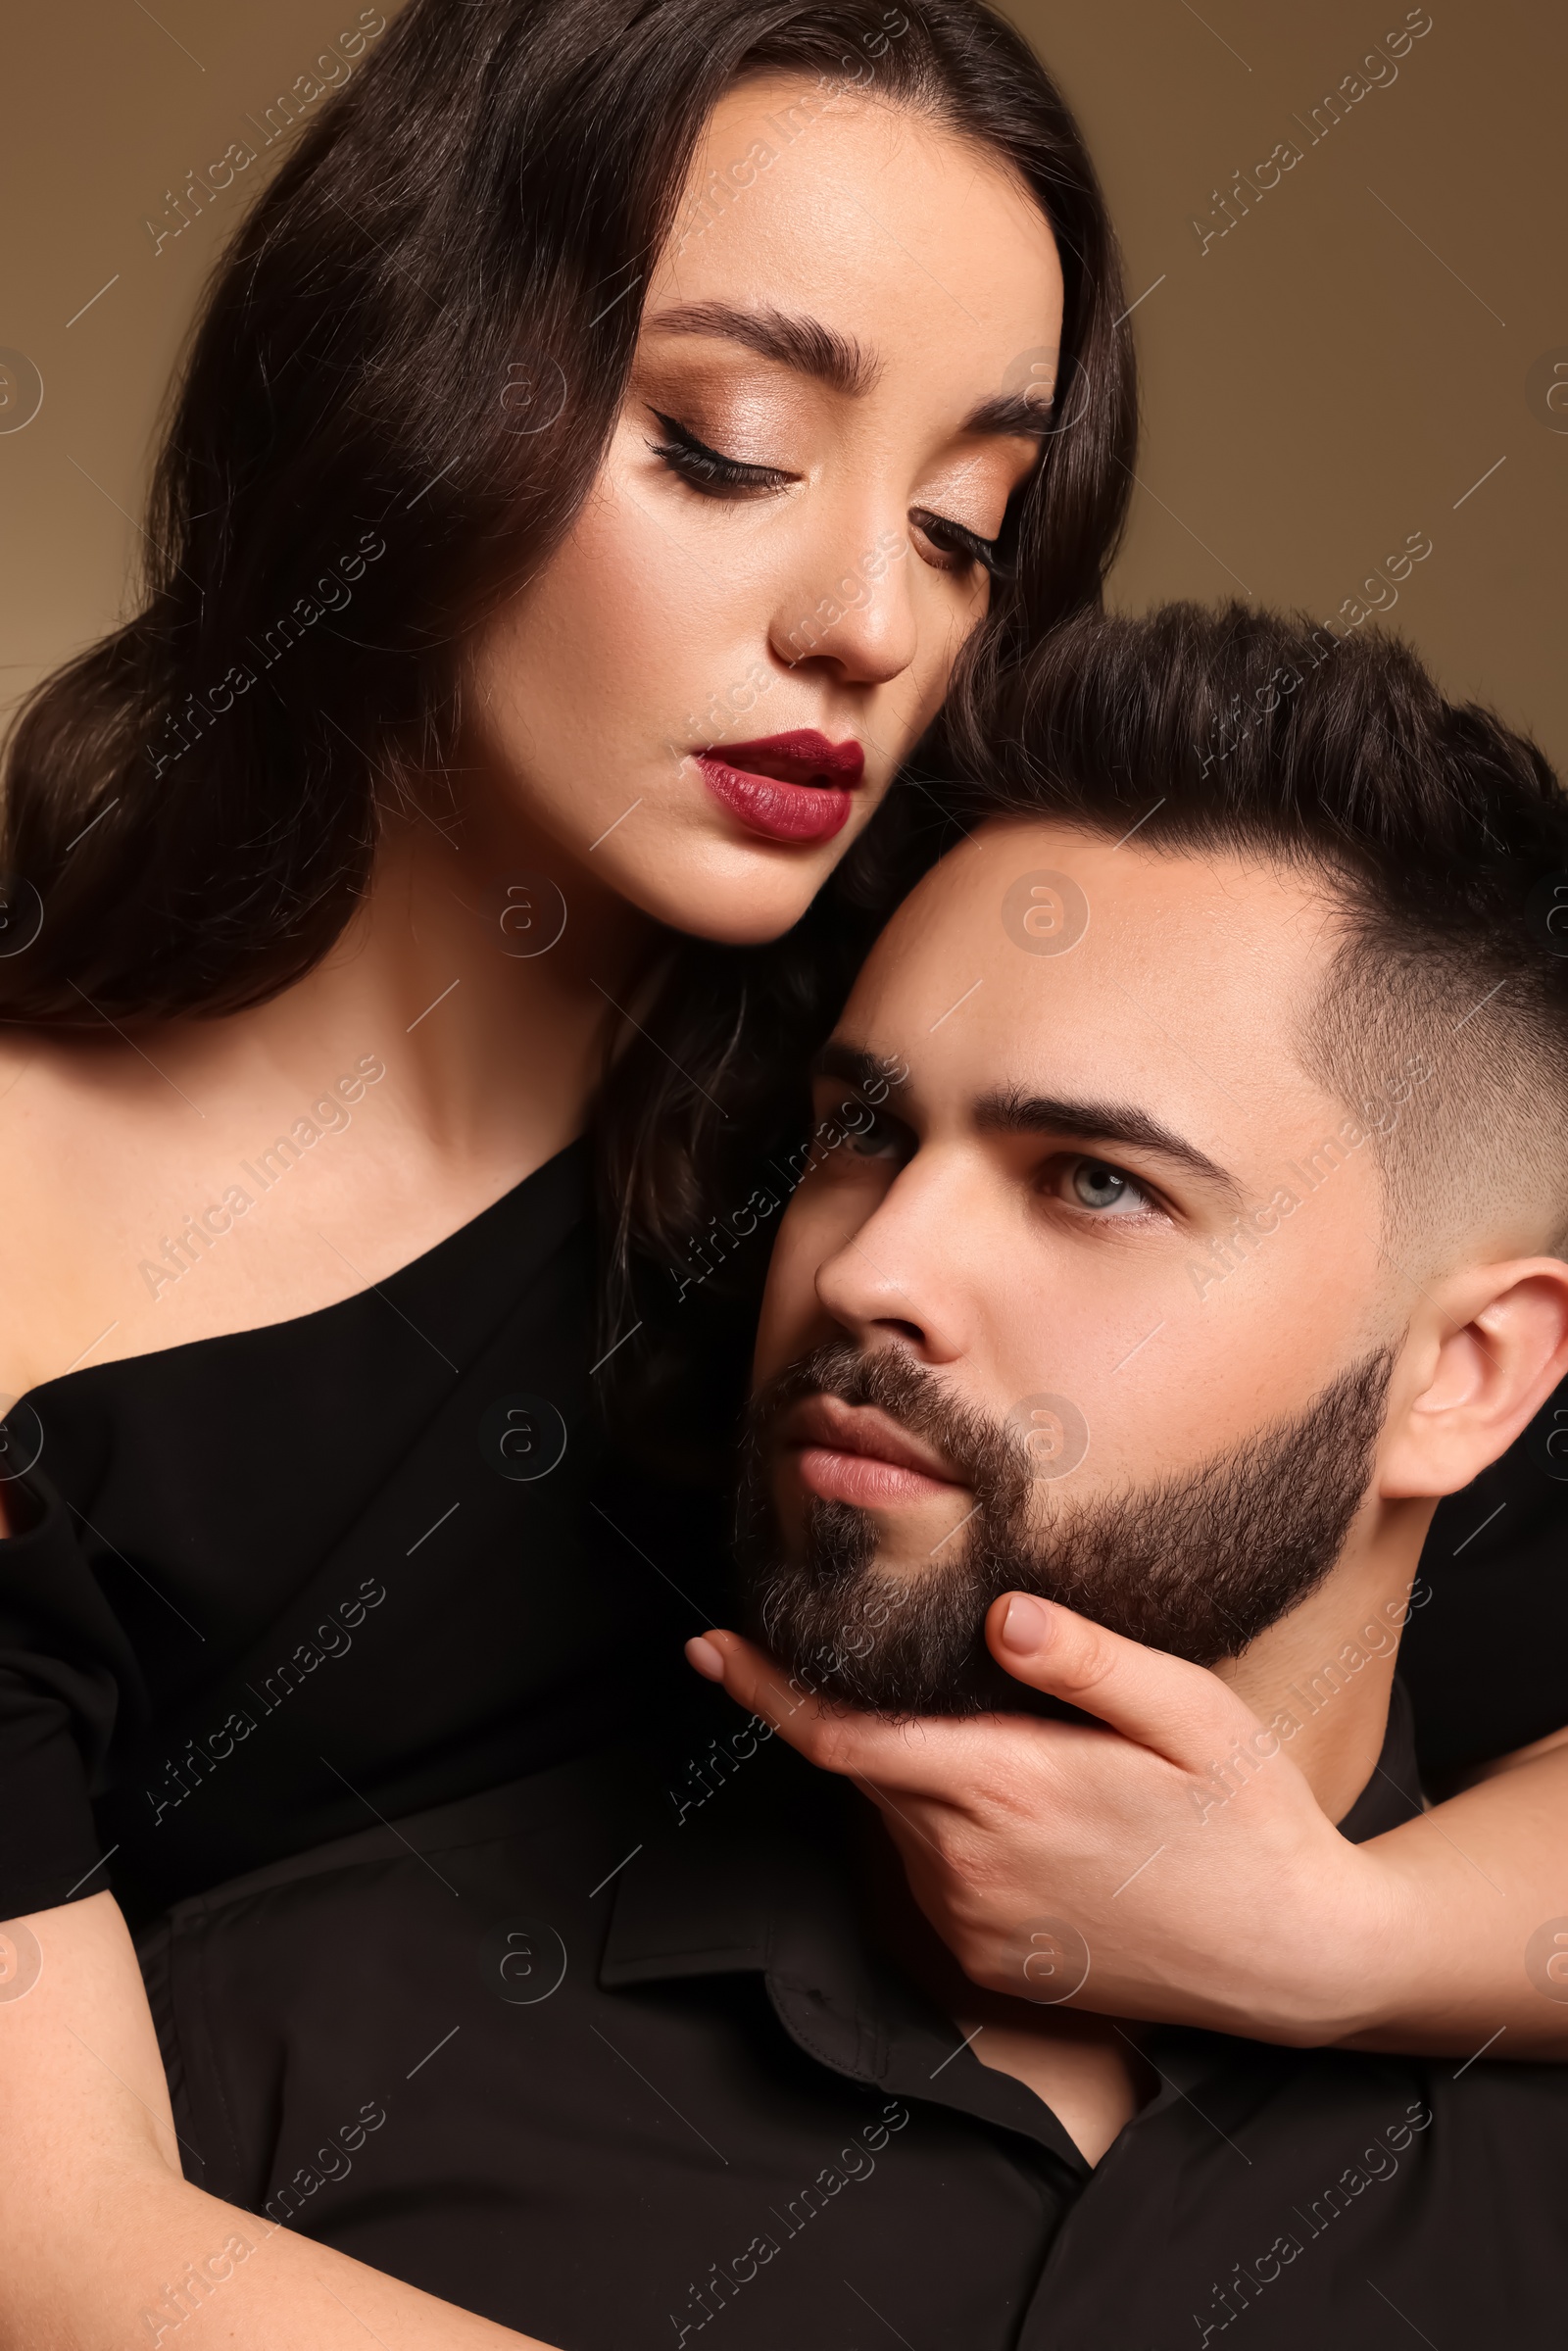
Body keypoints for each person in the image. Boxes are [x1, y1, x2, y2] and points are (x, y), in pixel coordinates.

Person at [0, 3, 1128, 2344]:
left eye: (962, 524)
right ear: (404, 397)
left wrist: (1326, 1940)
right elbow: (58, 2243)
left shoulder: (924, 1117)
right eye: (725, 451)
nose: (869, 621)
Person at [123, 603, 1568, 2351]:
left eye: (1095, 1182)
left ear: (1463, 1375)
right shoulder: (255, 2066)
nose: (874, 1265)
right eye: (865, 1131)